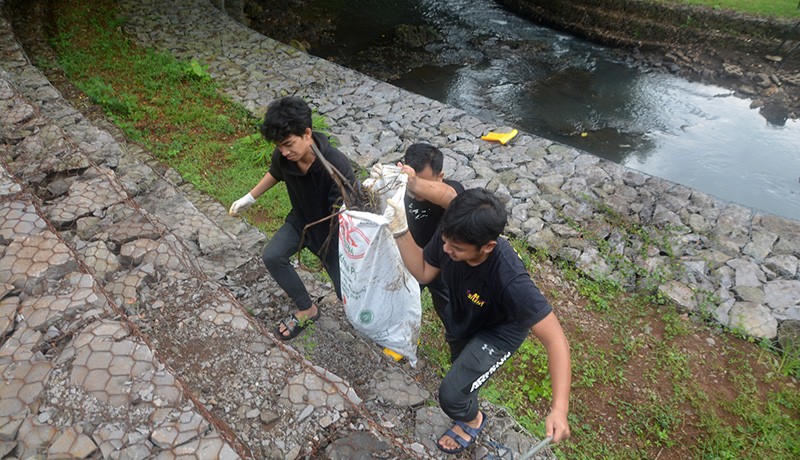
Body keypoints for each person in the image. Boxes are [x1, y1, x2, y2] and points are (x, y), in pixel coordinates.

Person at [386, 187, 571, 454]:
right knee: (461, 375)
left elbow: (556, 340)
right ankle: (468, 398)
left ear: (488, 246)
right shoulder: (451, 235)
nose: (446, 249)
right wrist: (401, 230)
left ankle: (473, 420)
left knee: (452, 396)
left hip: (498, 334)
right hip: (464, 318)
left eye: (457, 248)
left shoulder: (510, 279)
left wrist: (559, 409)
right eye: (445, 241)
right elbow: (425, 272)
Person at [229, 96, 356, 340]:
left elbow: (352, 208)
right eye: (279, 146)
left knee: (347, 294)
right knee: (272, 256)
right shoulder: (284, 157)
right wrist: (250, 198)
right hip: (300, 222)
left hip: (331, 237)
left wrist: (347, 212)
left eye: (289, 144)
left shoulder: (336, 165)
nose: (285, 152)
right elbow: (275, 173)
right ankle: (307, 308)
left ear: (307, 133)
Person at [375, 143, 465, 319]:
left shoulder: (453, 189)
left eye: (426, 182)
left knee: (449, 311)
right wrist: (380, 182)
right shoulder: (397, 189)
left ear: (440, 176)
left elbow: (452, 198)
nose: (417, 193)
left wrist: (415, 183)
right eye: (412, 182)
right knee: (400, 304)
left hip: (442, 263)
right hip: (410, 258)